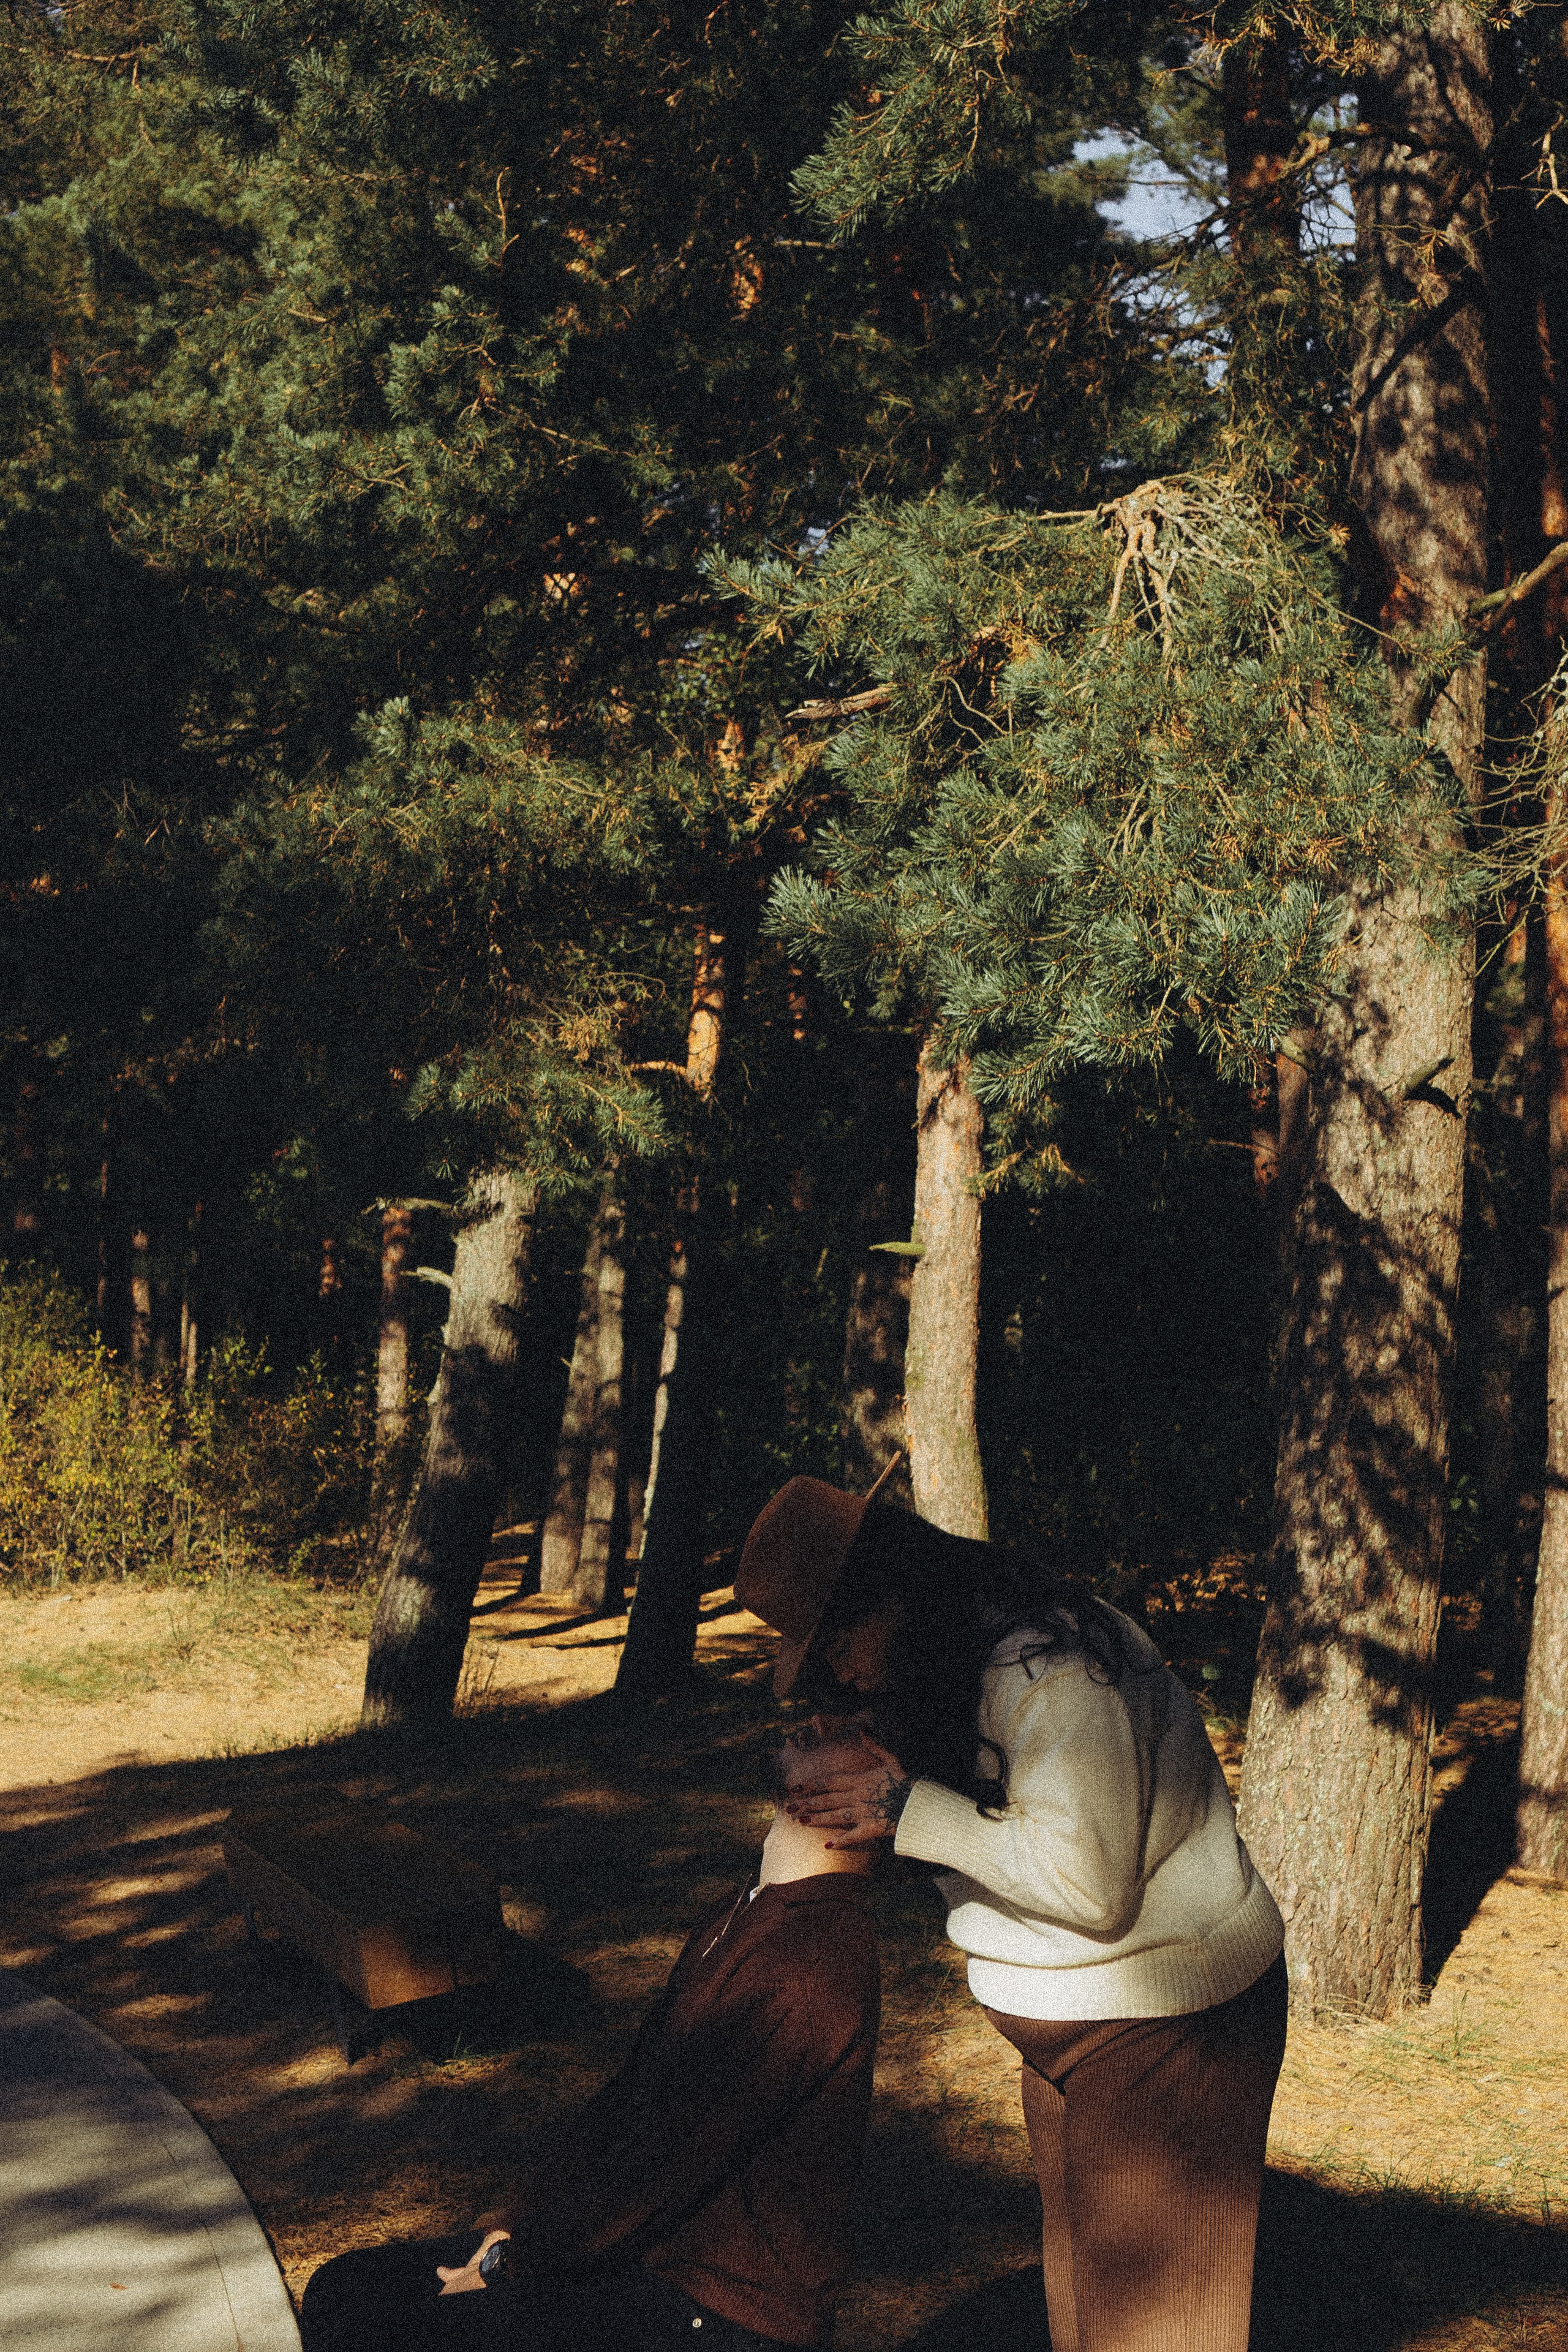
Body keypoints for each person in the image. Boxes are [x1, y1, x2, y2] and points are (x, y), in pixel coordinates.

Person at [734, 1475, 1287, 2352]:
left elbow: (1087, 1887)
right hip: (1072, 2033)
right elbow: (994, 1837)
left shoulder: (1053, 1673)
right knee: (1086, 2317)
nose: (833, 1670)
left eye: (838, 1637)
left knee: (1159, 2329)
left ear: (901, 1595)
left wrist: (905, 1806)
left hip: (1169, 2030)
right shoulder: (949, 1673)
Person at [298, 1722, 881, 2352]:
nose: (817, 1721)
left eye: (850, 1731)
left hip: (718, 2312)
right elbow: (628, 2102)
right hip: (643, 2255)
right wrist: (512, 2228)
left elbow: (662, 2162)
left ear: (876, 1793)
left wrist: (508, 2266)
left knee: (379, 2325)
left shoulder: (807, 1960)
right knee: (349, 2285)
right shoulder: (752, 1909)